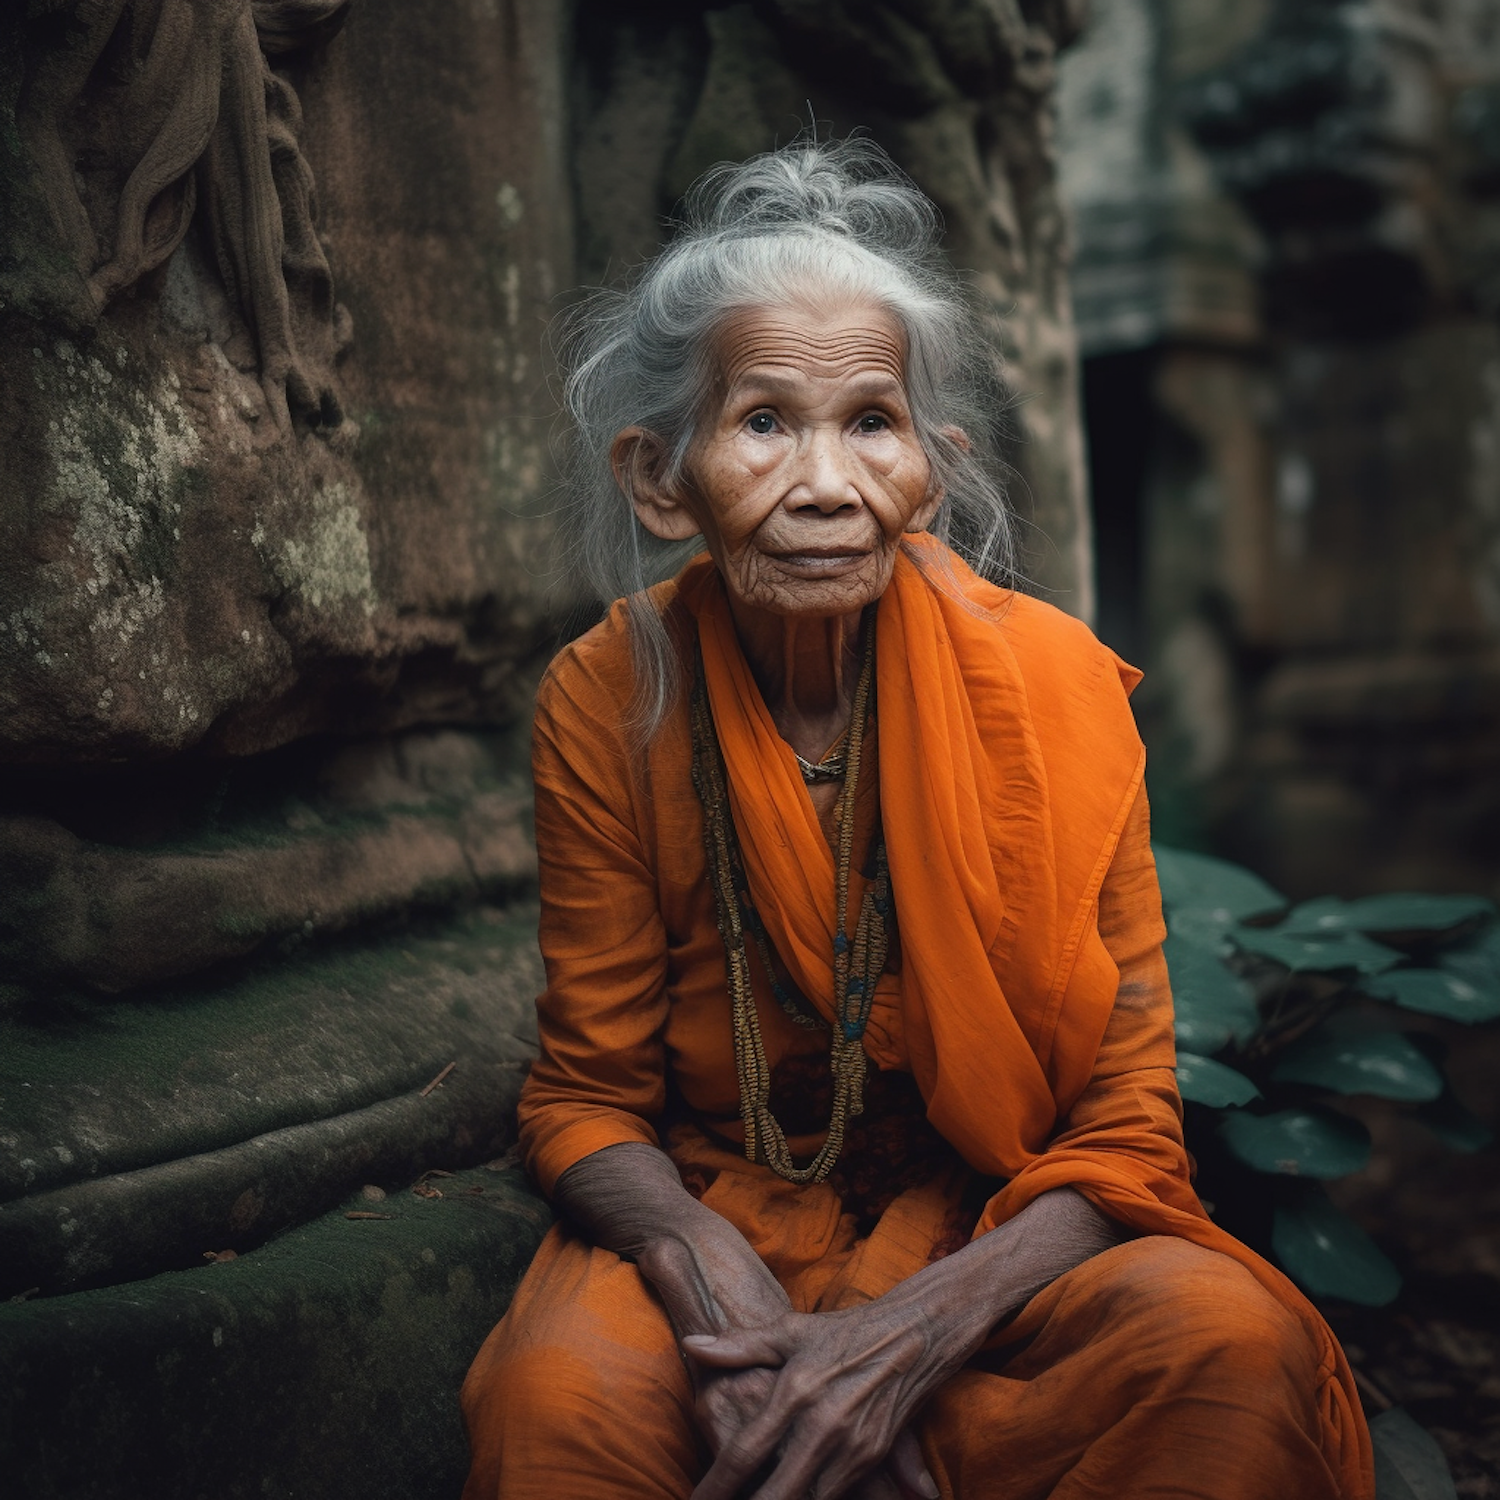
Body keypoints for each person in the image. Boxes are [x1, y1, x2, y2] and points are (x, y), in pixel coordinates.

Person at [459, 139, 1374, 1500]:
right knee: (561, 1406)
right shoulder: (606, 696)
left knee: (1221, 1348)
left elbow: (1126, 1130)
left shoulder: (1055, 689)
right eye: (764, 422)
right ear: (663, 479)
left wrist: (905, 1339)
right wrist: (703, 1275)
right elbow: (590, 1101)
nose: (825, 484)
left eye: (869, 423)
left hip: (988, 1228)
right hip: (726, 1210)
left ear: (929, 470)